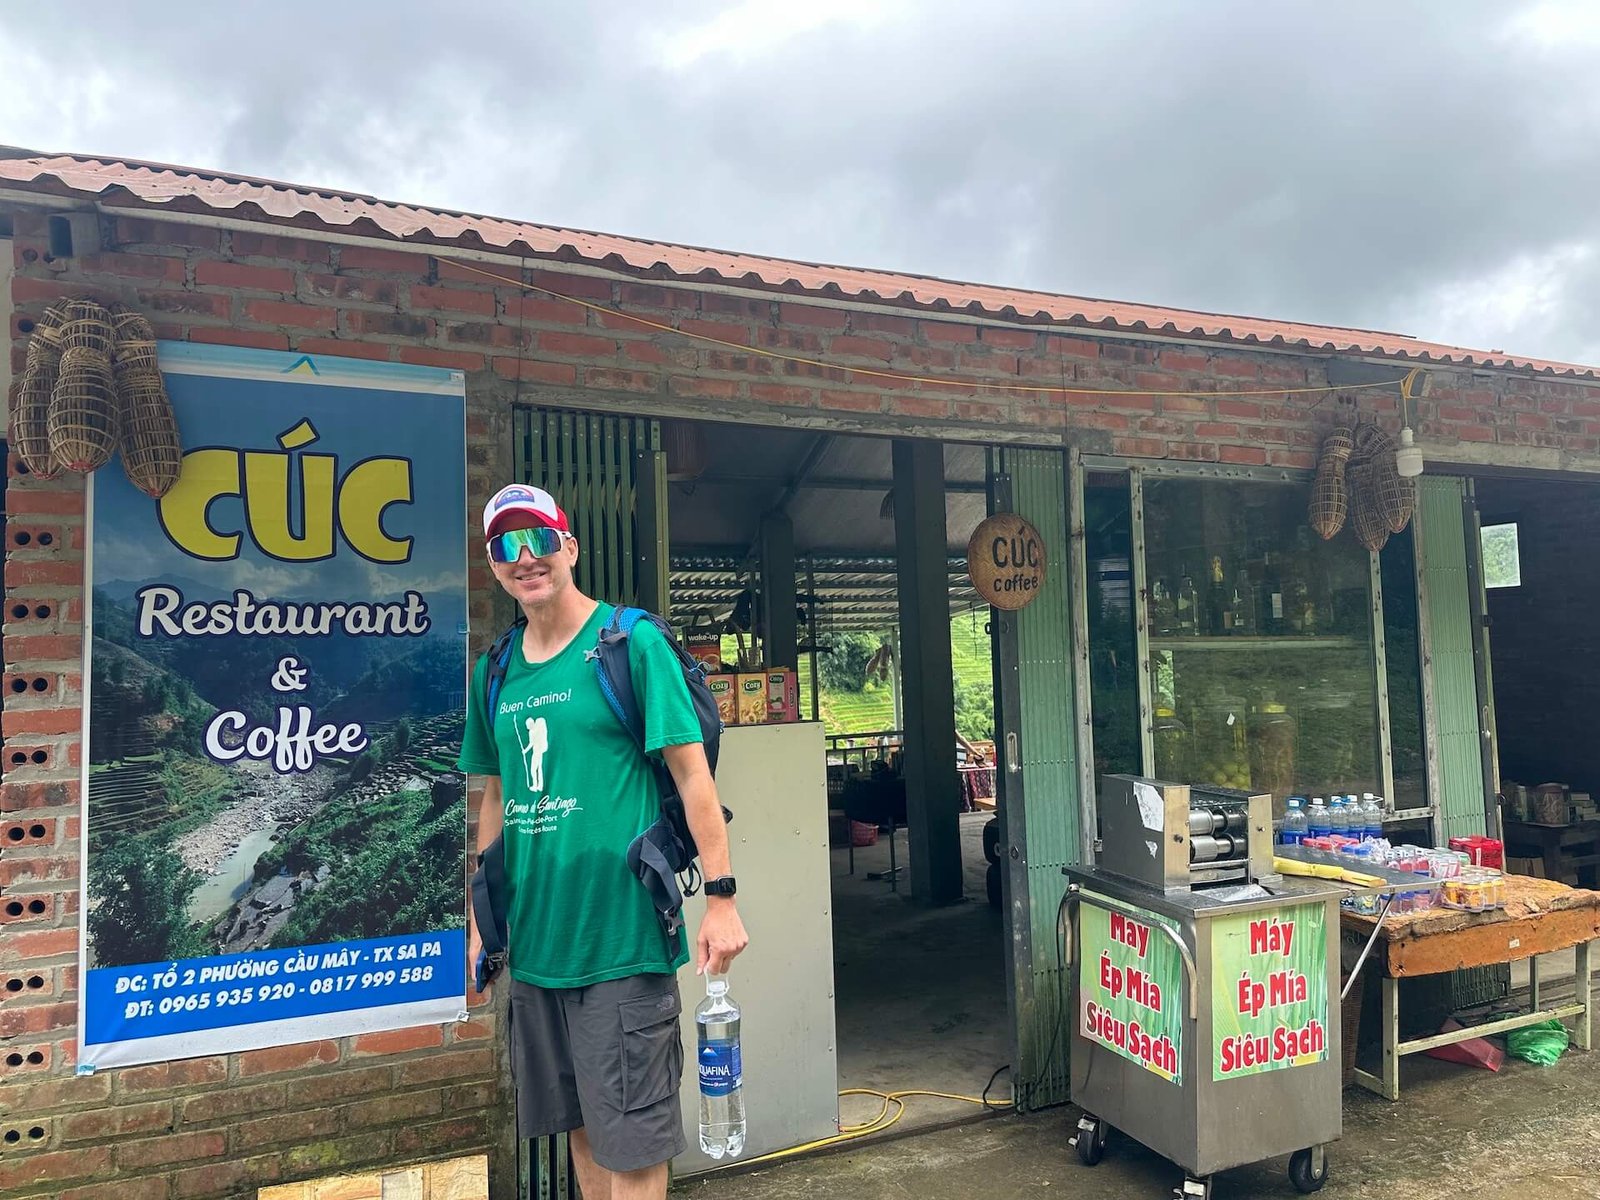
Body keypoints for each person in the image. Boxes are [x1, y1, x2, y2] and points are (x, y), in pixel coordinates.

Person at [458, 483, 748, 1200]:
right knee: (582, 1124)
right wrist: (479, 922)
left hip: (620, 937)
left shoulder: (629, 644)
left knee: (636, 1143)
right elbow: (493, 796)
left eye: (540, 539)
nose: (526, 558)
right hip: (536, 945)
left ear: (570, 547)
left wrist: (721, 898)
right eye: (506, 546)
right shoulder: (494, 673)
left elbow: (692, 776)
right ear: (494, 565)